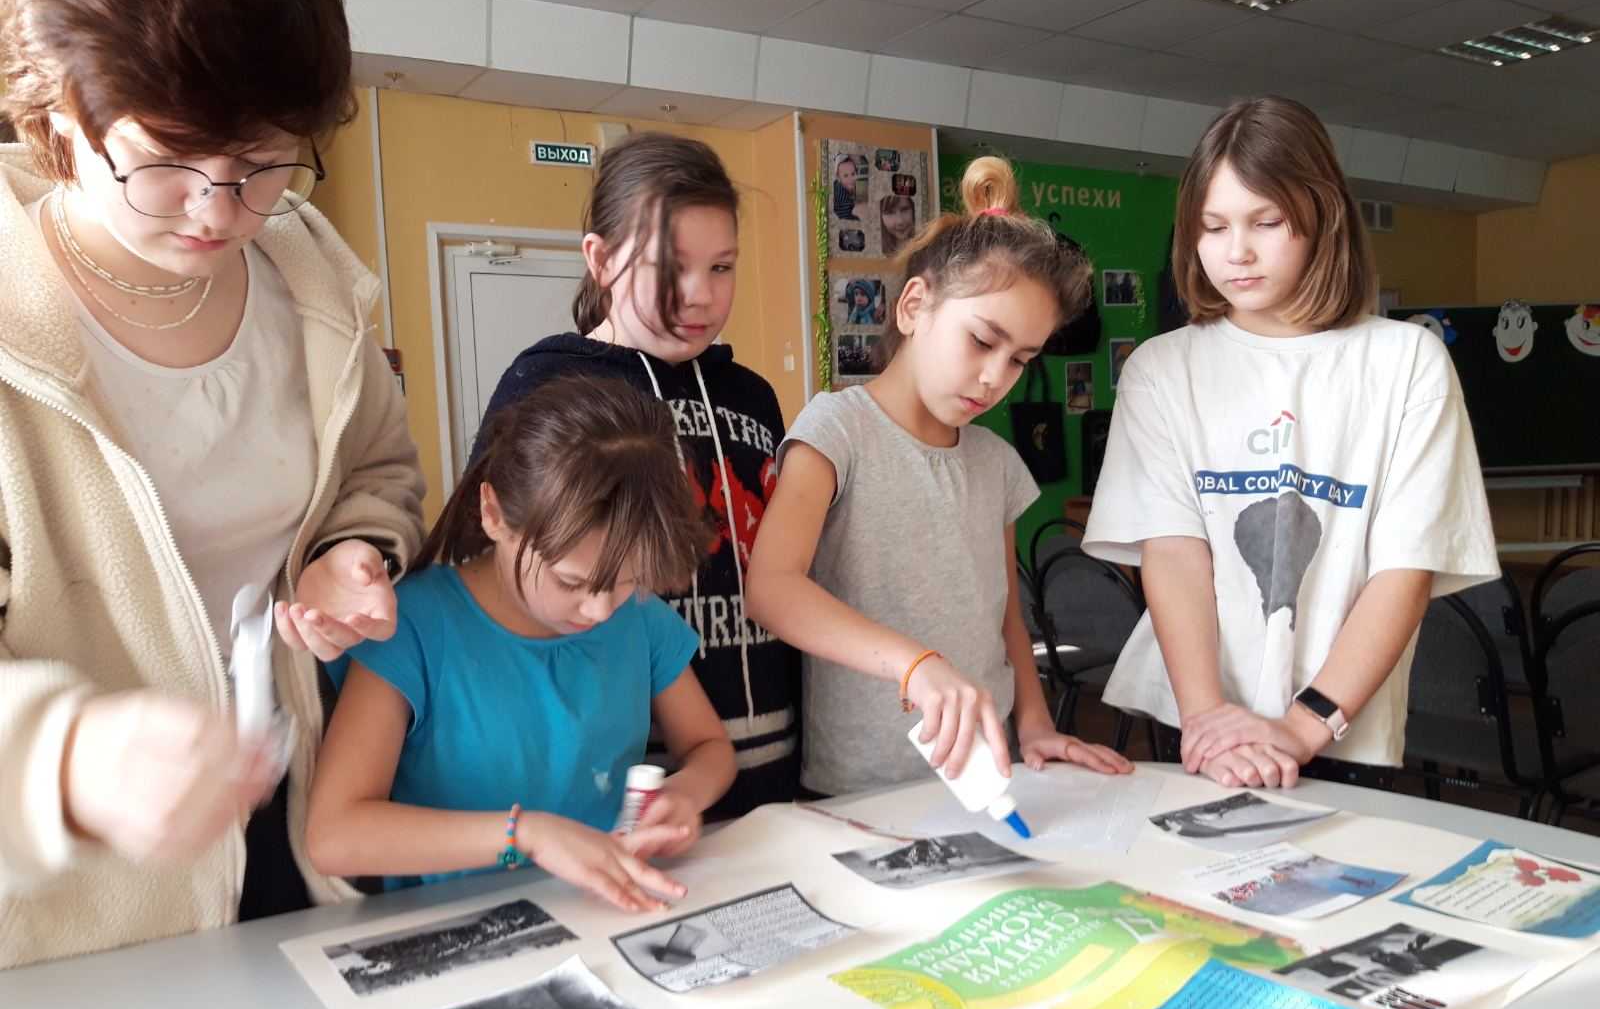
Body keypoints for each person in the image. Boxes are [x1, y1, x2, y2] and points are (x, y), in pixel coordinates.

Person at [0, 0, 424, 969]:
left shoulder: (310, 281)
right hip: (80, 908)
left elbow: (381, 468)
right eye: (166, 162)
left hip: (288, 823)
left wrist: (352, 550)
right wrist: (65, 759)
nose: (218, 210)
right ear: (60, 117)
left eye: (264, 163)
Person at [1082, 96, 1497, 790]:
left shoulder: (1406, 362)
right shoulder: (1160, 368)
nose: (1236, 251)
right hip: (1196, 721)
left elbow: (1405, 569)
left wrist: (1306, 724)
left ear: (1322, 217)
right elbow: (1174, 552)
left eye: (1266, 222)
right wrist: (1206, 718)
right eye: (1213, 227)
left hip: (1341, 722)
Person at [747, 157, 1132, 796]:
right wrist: (915, 664)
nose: (996, 378)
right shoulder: (837, 430)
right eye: (982, 341)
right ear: (914, 306)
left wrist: (1035, 723)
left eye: (1021, 360)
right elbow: (771, 589)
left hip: (988, 773)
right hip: (865, 786)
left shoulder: (996, 461)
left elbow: (1005, 616)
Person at [307, 375, 735, 910]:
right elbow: (333, 836)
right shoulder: (410, 626)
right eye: (571, 582)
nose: (601, 609)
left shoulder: (639, 619)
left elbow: (710, 748)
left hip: (607, 914)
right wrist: (526, 835)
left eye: (629, 580)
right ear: (493, 514)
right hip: (456, 928)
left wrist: (685, 794)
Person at [472, 131, 799, 821]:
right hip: (619, 781)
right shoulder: (547, 382)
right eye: (669, 267)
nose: (699, 295)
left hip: (769, 752)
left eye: (721, 267)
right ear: (601, 259)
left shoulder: (753, 397)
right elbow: (491, 567)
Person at [833, 154, 860, 221]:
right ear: (838, 178)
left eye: (853, 174)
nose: (851, 179)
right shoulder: (841, 192)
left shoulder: (840, 185)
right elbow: (846, 216)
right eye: (845, 175)